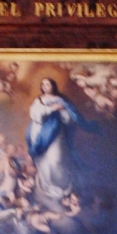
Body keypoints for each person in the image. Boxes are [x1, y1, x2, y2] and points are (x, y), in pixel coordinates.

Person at [26, 76, 82, 209]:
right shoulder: (38, 100)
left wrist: (61, 110)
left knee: (56, 159)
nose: (45, 87)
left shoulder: (61, 101)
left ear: (53, 86)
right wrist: (52, 109)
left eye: (48, 84)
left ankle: (62, 187)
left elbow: (69, 119)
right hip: (40, 133)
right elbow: (35, 115)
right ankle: (49, 189)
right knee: (43, 161)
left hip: (56, 133)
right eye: (43, 84)